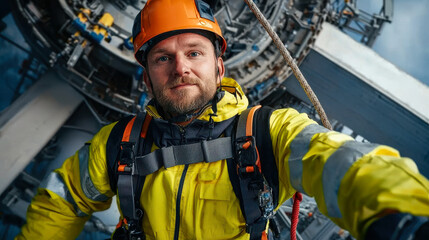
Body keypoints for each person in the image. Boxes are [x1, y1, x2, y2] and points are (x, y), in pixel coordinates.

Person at [16, 0, 429, 239]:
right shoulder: (117, 144)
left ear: (219, 66)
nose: (181, 68)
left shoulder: (268, 131)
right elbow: (63, 200)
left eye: (194, 52)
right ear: (147, 75)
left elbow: (343, 161)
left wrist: (399, 215)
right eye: (163, 58)